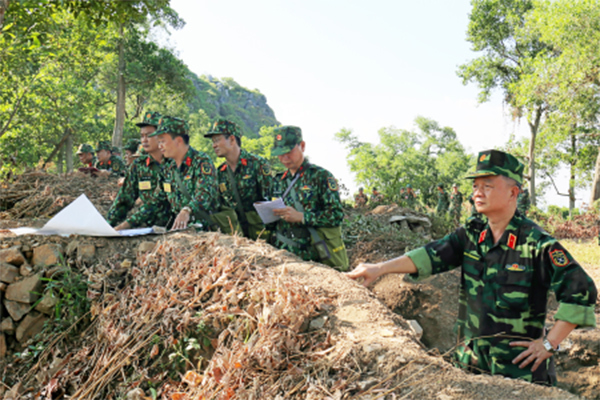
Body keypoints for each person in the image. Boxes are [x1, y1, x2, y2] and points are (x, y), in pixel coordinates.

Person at [347, 149, 597, 385]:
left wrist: (550, 343)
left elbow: (581, 291)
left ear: (513, 193)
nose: (478, 193)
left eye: (488, 186)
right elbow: (429, 255)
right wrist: (378, 269)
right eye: (476, 186)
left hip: (519, 375)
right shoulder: (471, 234)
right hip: (471, 366)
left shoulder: (537, 244)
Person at [269, 126, 349, 270]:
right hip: (282, 253)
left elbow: (336, 215)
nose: (284, 158)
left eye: (289, 151)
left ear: (302, 146)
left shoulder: (320, 177)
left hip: (313, 255)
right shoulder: (278, 180)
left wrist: (302, 217)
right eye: (280, 153)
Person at [204, 118, 272, 240]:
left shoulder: (257, 164)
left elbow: (270, 200)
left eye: (217, 140)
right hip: (236, 237)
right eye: (213, 141)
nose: (214, 145)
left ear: (231, 139)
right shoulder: (220, 172)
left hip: (261, 235)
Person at [151, 115, 219, 231]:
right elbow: (157, 203)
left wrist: (187, 210)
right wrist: (126, 225)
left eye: (162, 141)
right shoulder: (168, 168)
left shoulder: (201, 161)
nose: (159, 146)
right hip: (179, 232)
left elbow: (204, 194)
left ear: (178, 141)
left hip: (206, 231)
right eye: (158, 142)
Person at [107, 111, 171, 230]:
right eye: (142, 136)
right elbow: (124, 200)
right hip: (148, 228)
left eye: (149, 135)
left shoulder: (173, 163)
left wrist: (125, 225)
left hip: (175, 228)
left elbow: (158, 203)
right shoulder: (139, 166)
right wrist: (108, 226)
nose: (144, 140)